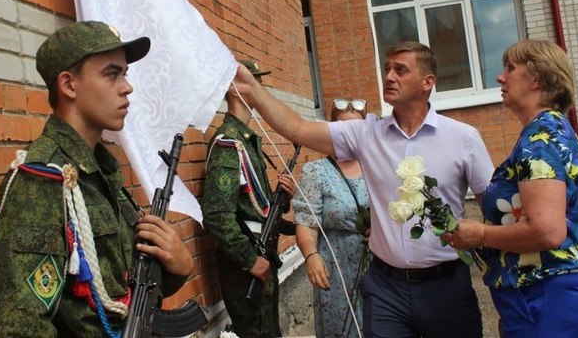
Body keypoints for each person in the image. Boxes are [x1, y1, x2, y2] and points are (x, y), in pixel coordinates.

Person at [231, 41, 494, 338]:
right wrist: (252, 89)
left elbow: (494, 208)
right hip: (386, 290)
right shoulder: (365, 133)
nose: (389, 76)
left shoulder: (463, 138)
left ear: (427, 82)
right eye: (387, 69)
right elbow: (298, 129)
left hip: (445, 286)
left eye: (400, 70)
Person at [0, 21, 194, 337]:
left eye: (125, 74)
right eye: (112, 74)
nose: (127, 87)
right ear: (69, 85)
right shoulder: (44, 182)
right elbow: (20, 326)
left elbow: (125, 293)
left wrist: (176, 267)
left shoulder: (102, 173)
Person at [445, 39, 578, 337]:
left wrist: (478, 235)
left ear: (537, 78)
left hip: (545, 296)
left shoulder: (540, 140)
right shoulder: (552, 130)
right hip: (553, 295)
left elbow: (546, 231)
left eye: (510, 68)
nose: (500, 77)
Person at [200, 60, 297, 338]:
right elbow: (217, 215)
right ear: (234, 89)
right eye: (253, 81)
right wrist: (249, 259)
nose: (260, 88)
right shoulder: (228, 143)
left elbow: (256, 206)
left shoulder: (246, 141)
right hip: (245, 264)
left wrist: (283, 198)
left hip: (261, 254)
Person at [294, 97, 371, 338]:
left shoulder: (378, 166)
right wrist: (311, 255)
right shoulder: (316, 172)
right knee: (341, 330)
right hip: (336, 268)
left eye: (356, 128)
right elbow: (306, 221)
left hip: (379, 267)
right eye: (342, 128)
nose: (349, 134)